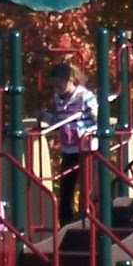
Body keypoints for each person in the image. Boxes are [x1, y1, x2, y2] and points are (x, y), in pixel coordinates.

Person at [41, 61, 97, 224]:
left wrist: (87, 131)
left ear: (70, 80)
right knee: (66, 187)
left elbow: (98, 119)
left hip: (86, 149)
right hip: (69, 150)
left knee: (87, 186)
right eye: (54, 87)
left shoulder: (84, 97)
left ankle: (89, 217)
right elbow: (59, 122)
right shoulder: (59, 99)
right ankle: (66, 221)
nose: (56, 90)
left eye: (59, 86)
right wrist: (44, 116)